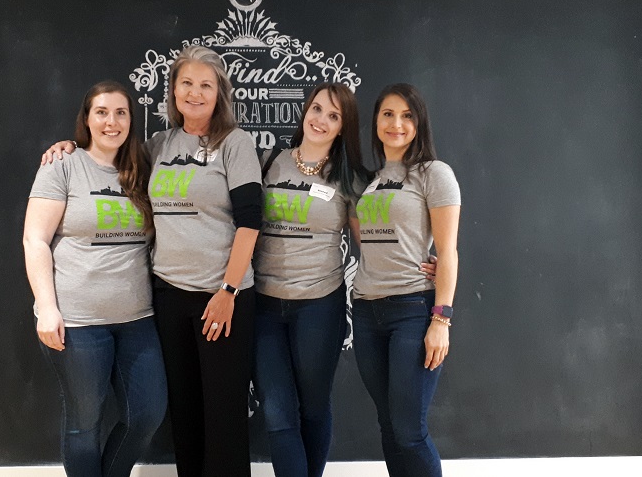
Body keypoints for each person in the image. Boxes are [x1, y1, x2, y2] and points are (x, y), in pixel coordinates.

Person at [42, 46, 262, 477]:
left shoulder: (236, 143)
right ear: (173, 92)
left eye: (205, 85)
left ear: (220, 93)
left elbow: (250, 223)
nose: (195, 93)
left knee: (224, 414)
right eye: (186, 84)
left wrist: (229, 291)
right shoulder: (159, 144)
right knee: (183, 413)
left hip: (222, 298)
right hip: (167, 297)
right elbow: (108, 154)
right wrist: (70, 145)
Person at [23, 81, 167, 477]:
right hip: (77, 322)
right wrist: (47, 309)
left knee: (147, 413)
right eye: (101, 112)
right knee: (85, 424)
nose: (111, 121)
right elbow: (35, 239)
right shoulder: (63, 165)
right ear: (87, 119)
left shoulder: (143, 170)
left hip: (136, 319)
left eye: (121, 112)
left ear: (131, 121)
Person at [253, 83, 369, 477]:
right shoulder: (267, 161)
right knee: (277, 412)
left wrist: (423, 264)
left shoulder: (348, 179)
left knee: (314, 407)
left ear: (343, 127)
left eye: (333, 116)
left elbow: (370, 243)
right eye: (317, 109)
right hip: (264, 306)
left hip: (320, 306)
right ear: (305, 111)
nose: (321, 120)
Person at [351, 83, 461, 477]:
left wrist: (440, 319)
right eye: (387, 114)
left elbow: (447, 251)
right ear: (376, 122)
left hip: (412, 311)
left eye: (406, 115)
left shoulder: (434, 174)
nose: (396, 123)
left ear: (419, 123)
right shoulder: (370, 181)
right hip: (365, 312)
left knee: (409, 431)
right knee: (388, 425)